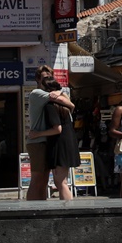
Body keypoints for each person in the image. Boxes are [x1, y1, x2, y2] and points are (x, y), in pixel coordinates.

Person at [25, 66, 74, 201]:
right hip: (37, 142)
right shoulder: (37, 93)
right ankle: (32, 209)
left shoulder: (49, 97)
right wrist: (60, 93)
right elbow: (66, 102)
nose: (47, 81)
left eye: (50, 77)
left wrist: (59, 92)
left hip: (46, 140)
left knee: (44, 180)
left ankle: (40, 208)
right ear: (38, 80)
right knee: (37, 179)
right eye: (44, 78)